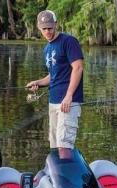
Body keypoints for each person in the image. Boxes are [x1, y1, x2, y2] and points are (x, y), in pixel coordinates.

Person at [26, 10, 84, 159]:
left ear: (56, 25)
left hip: (67, 102)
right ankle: (57, 179)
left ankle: (67, 180)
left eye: (50, 28)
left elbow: (78, 68)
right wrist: (38, 82)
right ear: (39, 28)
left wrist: (69, 96)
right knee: (54, 146)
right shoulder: (47, 48)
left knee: (64, 146)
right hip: (53, 102)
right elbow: (53, 75)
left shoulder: (68, 41)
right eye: (44, 29)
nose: (48, 31)